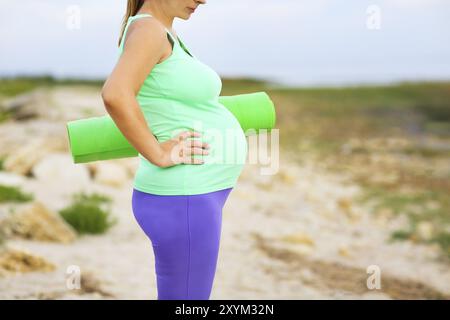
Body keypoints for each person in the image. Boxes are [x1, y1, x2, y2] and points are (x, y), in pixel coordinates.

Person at [101, 0, 248, 300]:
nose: (203, 1)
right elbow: (115, 94)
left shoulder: (160, 31)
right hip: (184, 198)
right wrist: (157, 152)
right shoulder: (148, 30)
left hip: (191, 197)